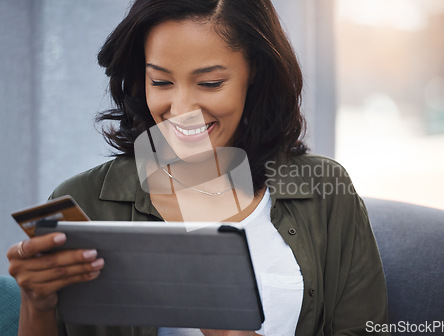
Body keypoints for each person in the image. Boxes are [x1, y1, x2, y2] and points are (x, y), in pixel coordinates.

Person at [7, 0, 390, 335]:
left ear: (253, 72)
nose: (181, 110)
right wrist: (36, 304)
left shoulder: (323, 189)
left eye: (209, 83)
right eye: (160, 81)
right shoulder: (84, 202)